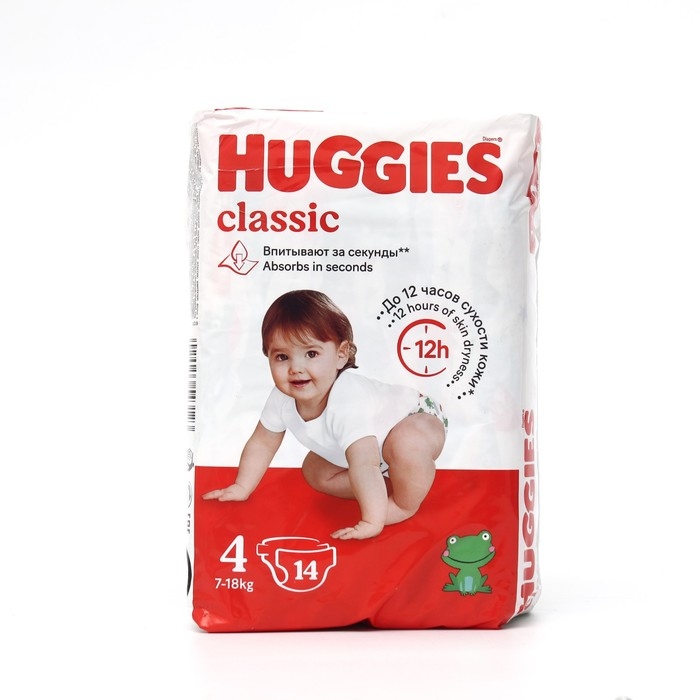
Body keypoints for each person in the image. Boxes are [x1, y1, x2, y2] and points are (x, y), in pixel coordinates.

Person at [202, 289, 447, 540]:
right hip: (371, 449)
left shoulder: (347, 400)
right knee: (314, 471)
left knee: (407, 445)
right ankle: (389, 483)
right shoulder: (281, 398)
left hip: (414, 418)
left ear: (341, 355)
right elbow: (262, 444)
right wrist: (242, 487)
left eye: (311, 354)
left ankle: (404, 503)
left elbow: (365, 463)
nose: (296, 368)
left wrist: (371, 521)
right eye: (282, 357)